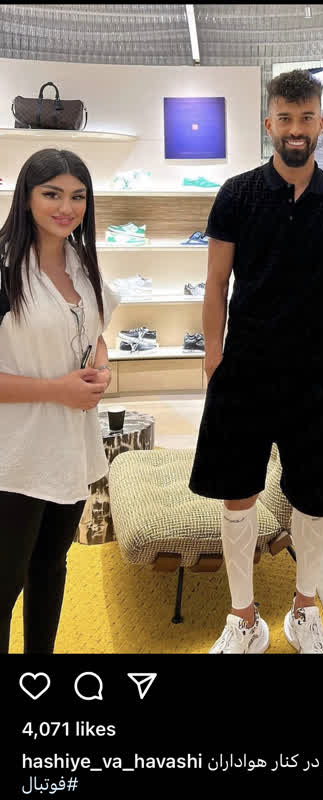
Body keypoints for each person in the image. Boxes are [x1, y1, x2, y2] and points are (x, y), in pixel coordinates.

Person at [190, 69, 323, 654]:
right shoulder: (237, 194)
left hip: (316, 372)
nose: (296, 128)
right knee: (236, 493)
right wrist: (214, 358)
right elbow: (215, 283)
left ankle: (304, 609)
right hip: (244, 367)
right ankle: (243, 618)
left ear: (320, 123)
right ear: (269, 123)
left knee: (317, 496)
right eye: (285, 118)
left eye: (306, 117)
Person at [0, 148, 119, 654]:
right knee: (5, 582)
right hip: (15, 455)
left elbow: (95, 334)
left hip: (70, 447)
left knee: (50, 566)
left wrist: (102, 368)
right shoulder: (5, 270)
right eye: (52, 194)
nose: (66, 208)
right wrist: (58, 390)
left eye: (77, 196)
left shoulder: (81, 264)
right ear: (27, 198)